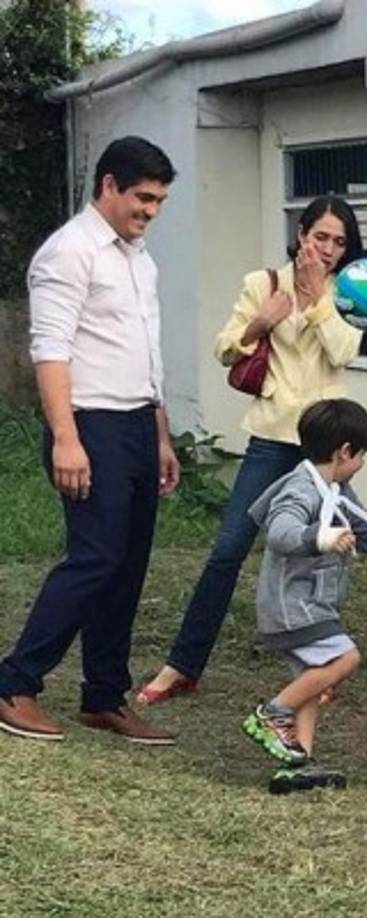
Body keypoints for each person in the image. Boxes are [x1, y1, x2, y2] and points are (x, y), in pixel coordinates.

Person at [137, 196, 364, 705]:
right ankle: (182, 664)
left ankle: (319, 665)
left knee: (325, 558)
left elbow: (344, 350)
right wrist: (262, 321)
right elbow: (224, 348)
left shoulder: (350, 292)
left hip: (327, 447)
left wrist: (316, 298)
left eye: (338, 242)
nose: (326, 249)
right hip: (271, 437)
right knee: (227, 552)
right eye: (320, 236)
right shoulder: (262, 283)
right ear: (301, 233)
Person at [0, 136, 180, 744]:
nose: (151, 210)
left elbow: (147, 357)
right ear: (108, 185)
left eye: (159, 201)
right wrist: (66, 440)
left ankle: (103, 696)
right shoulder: (68, 253)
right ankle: (13, 683)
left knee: (127, 564)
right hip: (89, 423)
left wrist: (159, 436)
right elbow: (49, 349)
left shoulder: (140, 258)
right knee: (95, 557)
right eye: (143, 197)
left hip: (135, 422)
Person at [242, 398, 367, 793]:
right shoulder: (301, 490)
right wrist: (321, 538)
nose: (362, 463)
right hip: (293, 606)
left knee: (312, 680)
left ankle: (297, 762)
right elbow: (281, 533)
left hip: (308, 604)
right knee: (345, 657)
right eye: (362, 454)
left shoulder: (337, 490)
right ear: (345, 451)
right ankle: (272, 713)